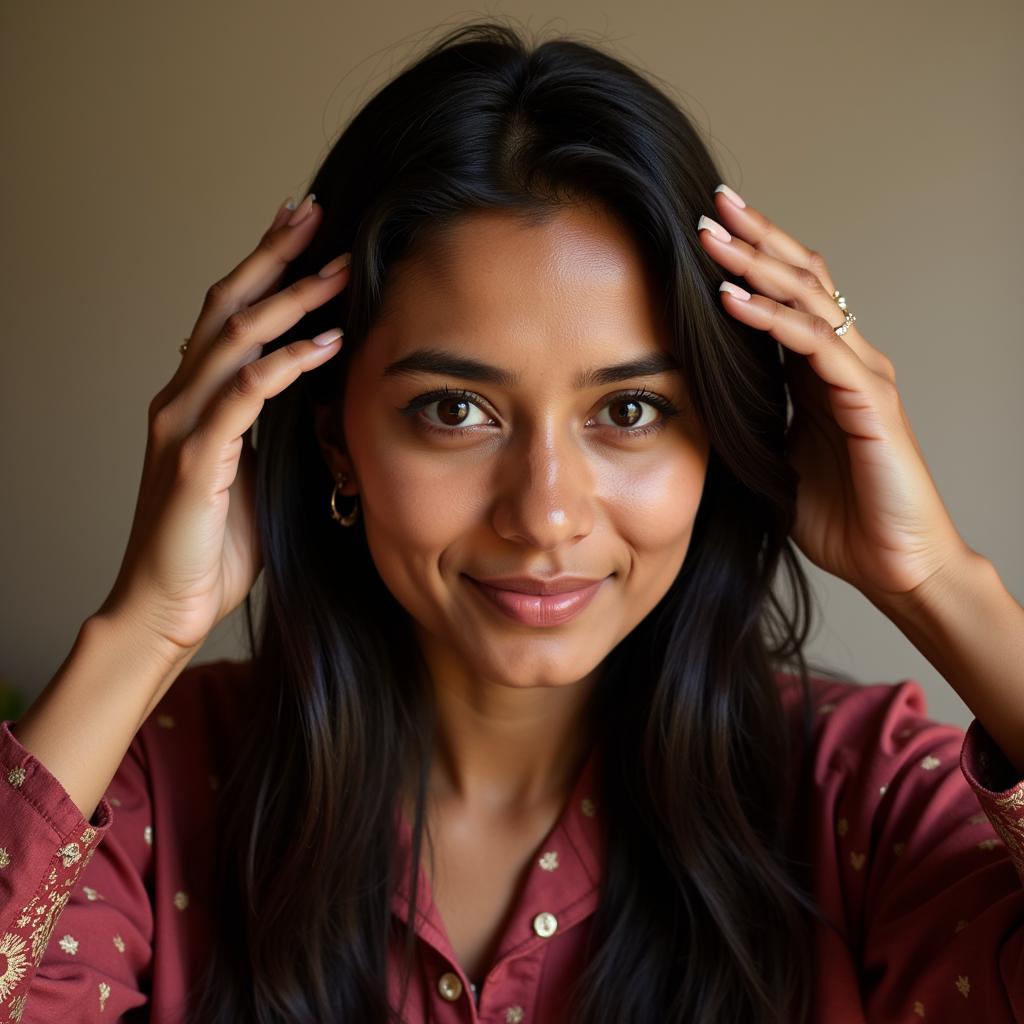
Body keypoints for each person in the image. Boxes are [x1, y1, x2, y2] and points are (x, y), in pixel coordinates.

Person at [2, 19, 1022, 1024]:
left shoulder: (862, 799)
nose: (544, 514)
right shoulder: (146, 786)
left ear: (714, 436)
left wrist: (936, 580)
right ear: (333, 440)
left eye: (629, 411)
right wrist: (144, 627)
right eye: (455, 409)